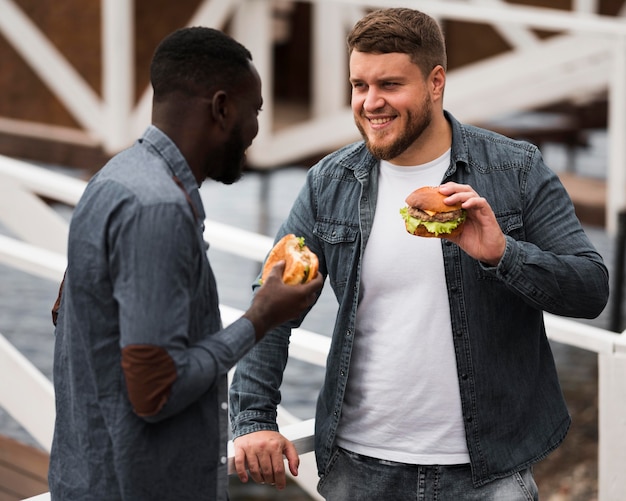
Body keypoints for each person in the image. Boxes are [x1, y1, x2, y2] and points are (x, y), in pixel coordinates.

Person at [229, 7, 609, 500]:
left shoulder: (516, 170)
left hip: (489, 475)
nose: (370, 103)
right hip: (359, 471)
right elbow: (272, 303)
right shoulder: (329, 183)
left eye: (389, 84)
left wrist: (502, 254)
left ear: (435, 82)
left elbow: (591, 290)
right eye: (358, 85)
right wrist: (254, 418)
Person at [48, 26, 322, 501]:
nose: (256, 131)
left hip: (90, 476)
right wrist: (262, 317)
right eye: (254, 111)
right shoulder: (158, 209)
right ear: (221, 108)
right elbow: (155, 392)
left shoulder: (113, 178)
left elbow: (73, 318)